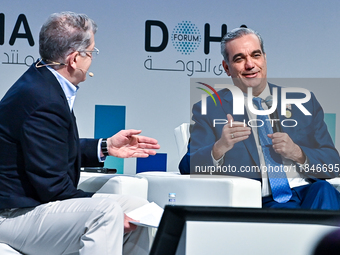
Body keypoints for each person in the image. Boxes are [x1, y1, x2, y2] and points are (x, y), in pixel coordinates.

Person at [0, 12, 160, 255]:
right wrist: (112, 211)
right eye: (92, 52)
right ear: (75, 59)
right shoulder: (42, 98)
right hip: (14, 215)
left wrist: (106, 146)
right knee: (106, 214)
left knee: (138, 208)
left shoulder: (43, 79)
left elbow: (51, 149)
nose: (93, 59)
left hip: (33, 205)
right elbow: (54, 188)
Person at [179, 27, 340, 210]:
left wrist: (297, 152)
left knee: (325, 190)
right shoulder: (210, 108)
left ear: (264, 58)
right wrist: (220, 147)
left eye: (255, 55)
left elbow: (333, 163)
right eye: (239, 59)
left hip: (310, 192)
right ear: (226, 68)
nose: (250, 64)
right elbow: (187, 167)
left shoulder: (303, 102)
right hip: (262, 202)